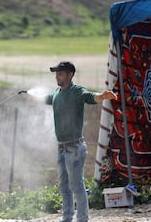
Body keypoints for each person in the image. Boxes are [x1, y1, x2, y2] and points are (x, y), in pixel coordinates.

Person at [46, 61, 117, 222]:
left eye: (61, 73)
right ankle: (67, 217)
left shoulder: (76, 91)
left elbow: (90, 97)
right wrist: (31, 97)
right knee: (64, 185)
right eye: (56, 73)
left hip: (75, 148)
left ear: (70, 75)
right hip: (62, 148)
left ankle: (83, 218)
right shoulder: (57, 93)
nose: (57, 76)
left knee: (76, 185)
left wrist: (102, 96)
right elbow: (46, 99)